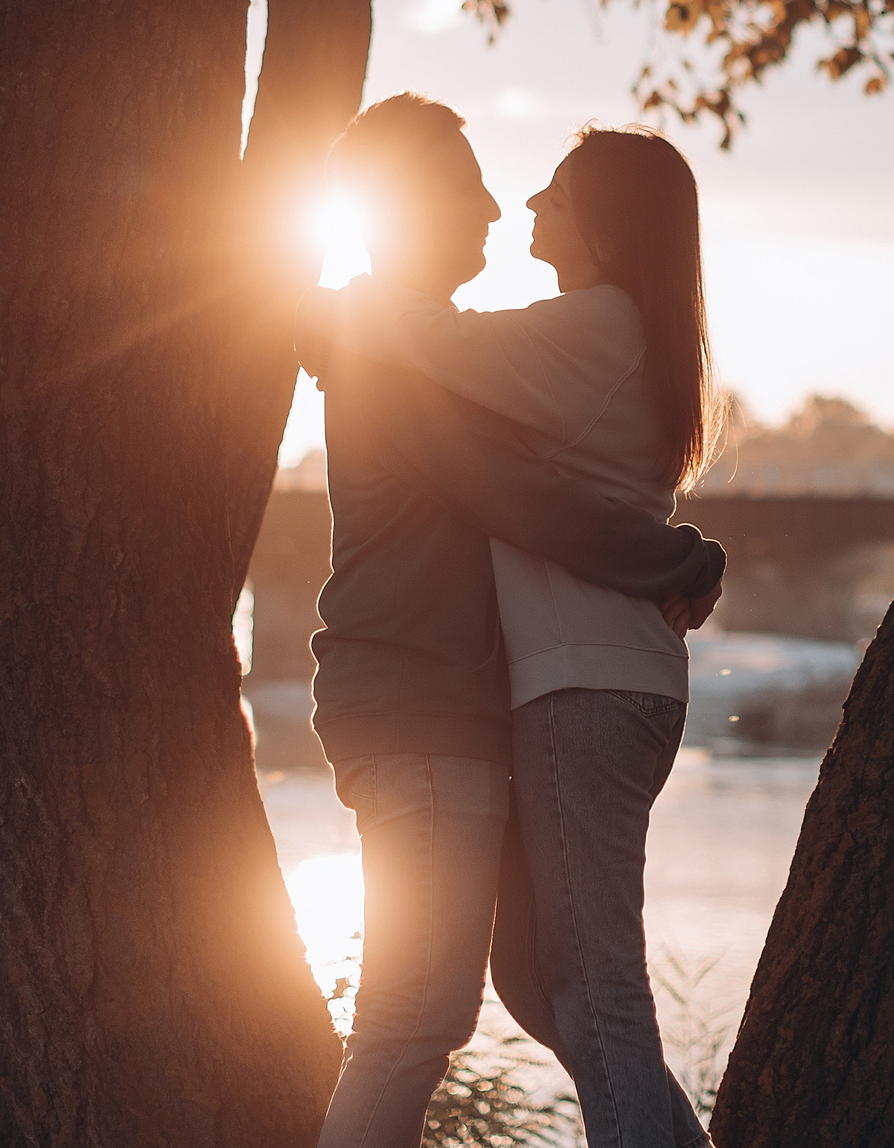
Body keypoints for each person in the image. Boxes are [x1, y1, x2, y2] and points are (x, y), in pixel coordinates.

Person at [299, 95, 724, 1148]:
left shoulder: (437, 353)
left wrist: (680, 547)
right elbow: (523, 500)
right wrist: (679, 553)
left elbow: (556, 475)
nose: (500, 204)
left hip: (464, 706)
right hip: (421, 704)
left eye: (530, 189)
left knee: (539, 985)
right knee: (420, 1016)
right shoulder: (394, 355)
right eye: (464, 184)